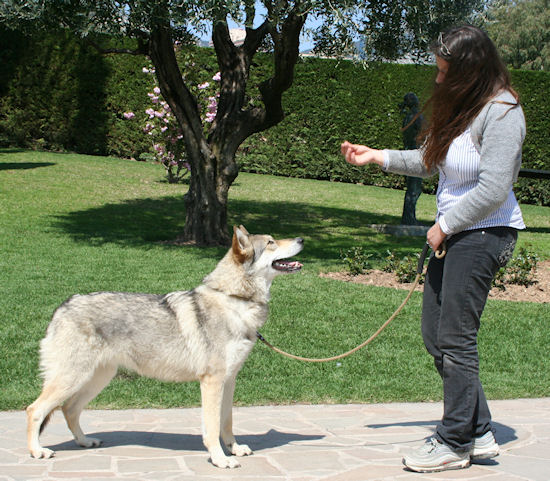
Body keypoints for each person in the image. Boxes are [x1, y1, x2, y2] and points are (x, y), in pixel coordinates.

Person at [341, 25, 526, 473]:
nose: (438, 81)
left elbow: (495, 187)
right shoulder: (464, 106)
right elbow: (431, 160)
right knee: (435, 336)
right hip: (457, 234)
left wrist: (443, 225)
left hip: (485, 234)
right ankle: (480, 431)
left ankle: (455, 440)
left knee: (456, 340)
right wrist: (377, 156)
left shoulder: (503, 112)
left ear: (470, 71)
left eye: (446, 72)